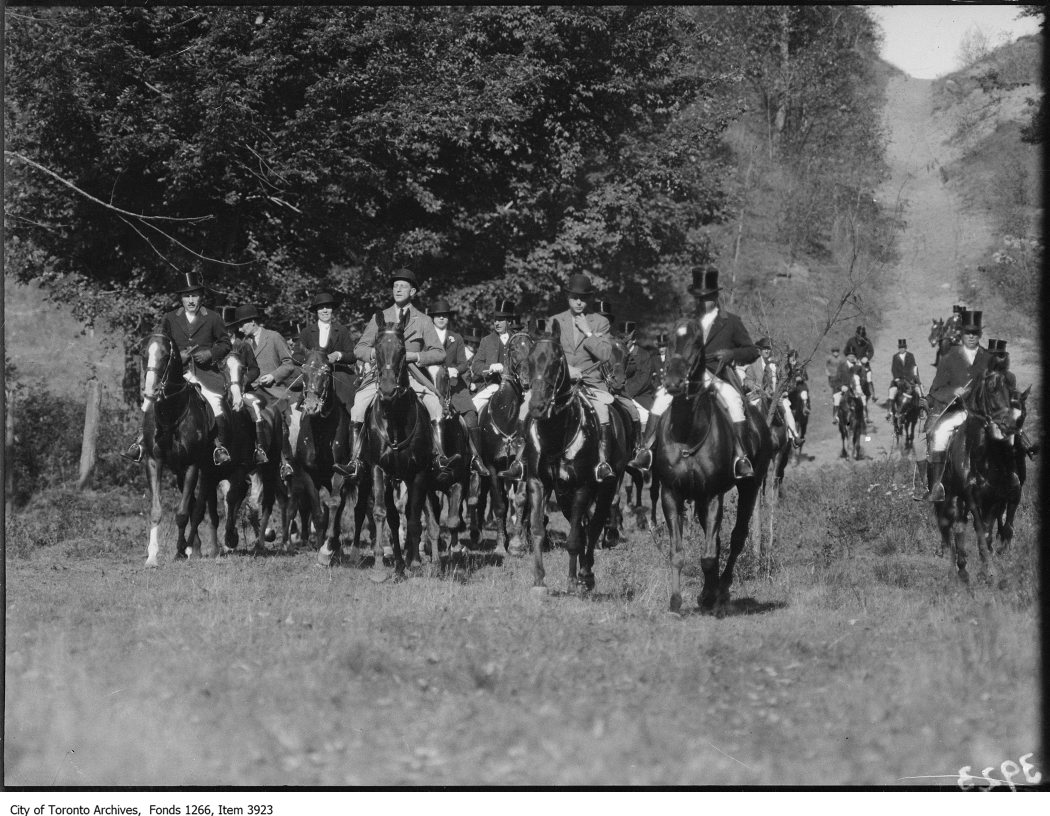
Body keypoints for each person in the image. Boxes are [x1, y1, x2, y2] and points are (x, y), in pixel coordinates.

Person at [627, 265, 760, 478]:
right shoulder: (687, 322)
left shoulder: (731, 322)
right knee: (660, 399)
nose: (703, 301)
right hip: (687, 375)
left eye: (707, 296)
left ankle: (741, 457)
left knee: (735, 402)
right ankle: (645, 450)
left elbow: (752, 350)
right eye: (699, 296)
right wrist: (671, 370)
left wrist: (731, 354)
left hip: (717, 374)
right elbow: (674, 348)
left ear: (716, 296)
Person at [500, 272, 616, 481]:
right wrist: (567, 370)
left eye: (583, 297)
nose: (579, 301)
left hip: (590, 383)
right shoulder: (555, 321)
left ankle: (602, 462)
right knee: (526, 406)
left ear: (588, 298)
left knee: (603, 411)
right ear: (568, 297)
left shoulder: (599, 322)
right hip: (558, 383)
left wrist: (588, 333)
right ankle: (520, 461)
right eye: (574, 297)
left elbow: (606, 355)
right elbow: (547, 355)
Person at [344, 269, 450, 478]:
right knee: (357, 409)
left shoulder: (423, 320)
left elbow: (439, 353)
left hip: (412, 376)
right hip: (381, 376)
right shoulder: (379, 317)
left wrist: (415, 356)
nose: (398, 289)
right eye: (395, 286)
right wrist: (376, 354)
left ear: (413, 291)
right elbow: (359, 348)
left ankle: (440, 457)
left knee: (436, 407)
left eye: (403, 286)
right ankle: (354, 461)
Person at [120, 271, 233, 465]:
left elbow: (225, 343)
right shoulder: (170, 318)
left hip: (204, 374)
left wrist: (210, 354)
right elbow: (162, 344)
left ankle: (218, 447)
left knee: (215, 403)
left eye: (194, 295)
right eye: (187, 296)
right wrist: (177, 356)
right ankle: (139, 443)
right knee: (150, 402)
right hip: (175, 375)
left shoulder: (213, 318)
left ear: (201, 296)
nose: (191, 300)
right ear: (181, 298)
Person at [913, 309, 992, 501]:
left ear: (979, 335)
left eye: (975, 333)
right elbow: (937, 389)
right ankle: (937, 486)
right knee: (939, 435)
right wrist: (952, 392)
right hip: (957, 411)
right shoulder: (949, 357)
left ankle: (1009, 482)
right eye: (968, 333)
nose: (971, 336)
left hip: (983, 412)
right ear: (962, 334)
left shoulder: (989, 358)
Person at [227, 304, 296, 479]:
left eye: (242, 325)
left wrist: (273, 376)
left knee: (278, 418)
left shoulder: (273, 337)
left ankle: (285, 462)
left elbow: (288, 363)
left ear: (252, 322)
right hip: (251, 391)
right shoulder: (242, 345)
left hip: (273, 390)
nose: (240, 329)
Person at [294, 291, 358, 475]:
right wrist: (309, 359)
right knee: (299, 406)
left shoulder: (342, 330)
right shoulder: (306, 332)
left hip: (338, 374)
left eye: (328, 307)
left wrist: (338, 355)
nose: (325, 310)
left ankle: (354, 456)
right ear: (316, 311)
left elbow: (352, 354)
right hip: (315, 377)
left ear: (332, 310)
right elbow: (296, 355)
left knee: (352, 408)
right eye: (321, 307)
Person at [427, 298, 487, 475]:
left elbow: (463, 364)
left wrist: (454, 370)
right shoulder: (425, 337)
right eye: (438, 316)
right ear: (432, 318)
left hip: (455, 388)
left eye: (444, 316)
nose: (441, 319)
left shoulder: (457, 338)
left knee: (471, 416)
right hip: (432, 387)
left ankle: (476, 459)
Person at [744, 338, 802, 447]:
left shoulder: (777, 364)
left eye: (768, 349)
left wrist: (784, 391)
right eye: (764, 349)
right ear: (760, 351)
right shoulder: (753, 364)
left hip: (776, 396)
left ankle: (794, 436)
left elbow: (784, 380)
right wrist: (754, 386)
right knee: (749, 409)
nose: (767, 351)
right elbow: (747, 380)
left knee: (786, 407)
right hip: (758, 395)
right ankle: (747, 440)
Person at [988, 339, 1039, 460]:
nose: (996, 359)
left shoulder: (1010, 377)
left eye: (1000, 356)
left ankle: (1027, 448)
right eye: (993, 356)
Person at [470, 299, 517, 414]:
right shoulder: (486, 341)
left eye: (501, 320)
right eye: (495, 320)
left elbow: (525, 365)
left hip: (516, 387)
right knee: (472, 409)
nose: (497, 323)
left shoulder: (517, 340)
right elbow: (476, 366)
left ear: (509, 321)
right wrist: (490, 368)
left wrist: (505, 369)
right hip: (491, 386)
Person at [622, 321, 660, 430]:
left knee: (644, 417)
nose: (623, 343)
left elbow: (644, 380)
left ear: (633, 340)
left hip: (639, 396)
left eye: (626, 341)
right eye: (621, 340)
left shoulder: (644, 355)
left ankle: (643, 444)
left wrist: (626, 393)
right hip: (618, 393)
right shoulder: (617, 352)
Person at [886, 338, 923, 420]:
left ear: (905, 348)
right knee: (891, 392)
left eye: (903, 347)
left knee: (919, 392)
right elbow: (893, 369)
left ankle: (921, 411)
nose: (901, 349)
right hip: (898, 380)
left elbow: (913, 367)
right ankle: (889, 412)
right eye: (900, 348)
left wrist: (914, 379)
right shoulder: (895, 357)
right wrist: (896, 379)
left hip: (910, 380)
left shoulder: (911, 356)